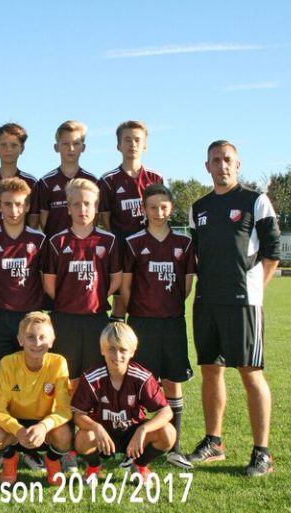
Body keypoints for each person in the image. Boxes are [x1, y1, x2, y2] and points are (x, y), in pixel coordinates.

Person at [187, 140, 281, 477]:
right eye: (216, 160)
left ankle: (262, 452)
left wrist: (255, 291)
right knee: (210, 370)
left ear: (237, 164)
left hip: (243, 302)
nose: (222, 165)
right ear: (207, 166)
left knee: (249, 372)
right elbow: (197, 254)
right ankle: (214, 442)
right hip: (207, 300)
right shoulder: (198, 207)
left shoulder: (255, 201)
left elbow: (272, 252)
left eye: (227, 159)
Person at [117, 184, 196, 469]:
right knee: (139, 383)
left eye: (163, 207)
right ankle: (133, 450)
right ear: (143, 209)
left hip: (172, 323)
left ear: (171, 208)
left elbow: (187, 285)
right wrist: (138, 311)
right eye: (152, 207)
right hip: (141, 324)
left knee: (172, 382)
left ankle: (175, 447)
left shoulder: (184, 243)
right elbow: (126, 286)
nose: (158, 212)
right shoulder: (133, 242)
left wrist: (167, 306)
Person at [0, 177, 47, 475]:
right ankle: (1, 450)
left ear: (27, 205)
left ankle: (29, 448)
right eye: (7, 204)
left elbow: (43, 279)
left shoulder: (38, 240)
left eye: (19, 204)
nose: (13, 210)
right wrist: (1, 302)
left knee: (32, 383)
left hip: (29, 319)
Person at [72, 322, 175, 486]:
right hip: (103, 433)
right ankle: (94, 467)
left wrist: (143, 429)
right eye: (111, 349)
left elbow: (166, 411)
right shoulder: (92, 378)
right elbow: (78, 415)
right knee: (82, 438)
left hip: (133, 432)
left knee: (168, 433)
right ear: (102, 350)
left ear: (132, 351)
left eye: (123, 350)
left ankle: (140, 466)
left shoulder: (142, 377)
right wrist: (96, 427)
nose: (117, 355)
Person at [43, 178, 122, 382]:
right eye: (76, 204)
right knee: (65, 378)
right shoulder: (57, 241)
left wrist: (95, 297)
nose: (82, 209)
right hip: (64, 319)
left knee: (95, 378)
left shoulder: (109, 241)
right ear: (68, 208)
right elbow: (49, 284)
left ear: (96, 207)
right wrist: (70, 300)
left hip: (96, 319)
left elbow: (116, 280)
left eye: (87, 203)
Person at [0, 312, 72, 486]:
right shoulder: (8, 363)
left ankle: (52, 460)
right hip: (16, 426)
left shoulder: (58, 363)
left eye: (42, 337)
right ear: (20, 340)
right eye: (31, 337)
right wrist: (17, 429)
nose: (37, 343)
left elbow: (64, 409)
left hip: (44, 425)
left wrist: (44, 426)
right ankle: (10, 459)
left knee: (64, 436)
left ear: (52, 340)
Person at [98, 120, 164, 320]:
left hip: (149, 249)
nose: (132, 144)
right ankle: (116, 337)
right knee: (120, 304)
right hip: (121, 249)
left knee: (147, 298)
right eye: (127, 140)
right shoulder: (108, 180)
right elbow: (105, 219)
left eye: (137, 140)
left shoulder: (155, 178)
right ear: (119, 145)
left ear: (145, 145)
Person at [37, 120, 97, 238]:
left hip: (85, 244)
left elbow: (95, 217)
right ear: (56, 147)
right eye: (65, 143)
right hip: (55, 245)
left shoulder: (92, 181)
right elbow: (43, 220)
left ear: (83, 147)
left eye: (76, 143)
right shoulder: (46, 182)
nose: (71, 148)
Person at [0, 123, 39, 234]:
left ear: (22, 148)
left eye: (14, 145)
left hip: (20, 243)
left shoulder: (31, 182)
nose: (8, 149)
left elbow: (33, 219)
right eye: (3, 145)